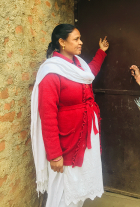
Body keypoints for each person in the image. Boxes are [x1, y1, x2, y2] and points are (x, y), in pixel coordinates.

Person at [31, 24, 109, 207]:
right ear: (62, 42)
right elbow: (47, 116)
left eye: (80, 38)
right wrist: (54, 155)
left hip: (85, 136)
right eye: (76, 39)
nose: (81, 42)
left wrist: (101, 52)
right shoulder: (51, 71)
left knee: (80, 185)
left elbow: (89, 74)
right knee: (64, 188)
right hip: (67, 142)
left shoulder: (78, 65)